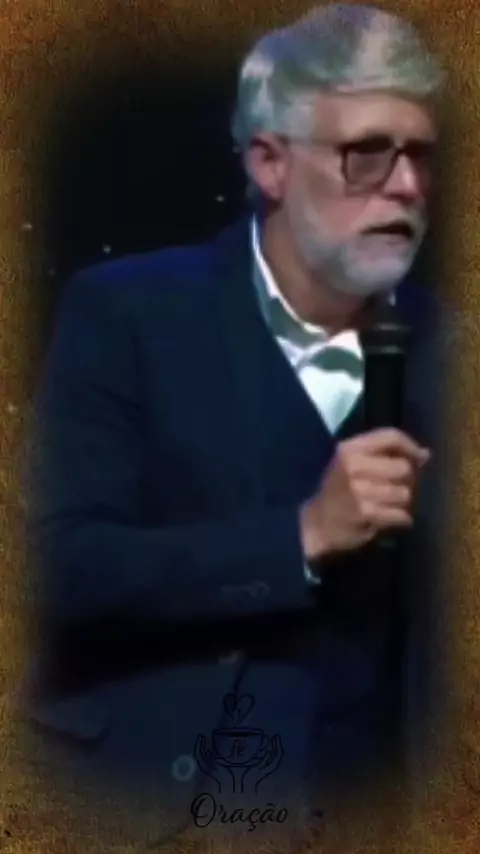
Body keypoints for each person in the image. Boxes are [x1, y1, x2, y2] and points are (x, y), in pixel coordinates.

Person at [25, 2, 448, 844]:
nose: (406, 186)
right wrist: (299, 538)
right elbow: (59, 572)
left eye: (419, 156)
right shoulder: (129, 315)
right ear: (270, 163)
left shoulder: (452, 349)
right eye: (367, 153)